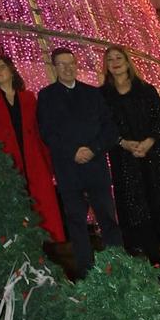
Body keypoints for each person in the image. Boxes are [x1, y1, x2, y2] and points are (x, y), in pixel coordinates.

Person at [101, 44, 160, 267]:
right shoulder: (102, 95)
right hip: (125, 160)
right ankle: (154, 265)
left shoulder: (145, 89)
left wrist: (149, 141)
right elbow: (104, 126)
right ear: (106, 65)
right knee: (137, 211)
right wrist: (124, 143)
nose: (115, 61)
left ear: (127, 61)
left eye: (118, 57)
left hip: (155, 156)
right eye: (110, 58)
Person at [36, 48, 123, 275]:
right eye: (62, 64)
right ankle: (85, 274)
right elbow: (47, 132)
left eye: (71, 63)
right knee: (76, 224)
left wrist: (93, 149)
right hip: (69, 170)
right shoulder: (46, 96)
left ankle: (119, 269)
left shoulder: (93, 94)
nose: (68, 68)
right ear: (54, 67)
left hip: (96, 168)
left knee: (108, 220)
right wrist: (72, 152)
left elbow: (110, 127)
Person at [0, 53, 64, 242]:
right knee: (16, 209)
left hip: (34, 161)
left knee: (44, 208)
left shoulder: (29, 97)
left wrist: (48, 162)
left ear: (11, 70)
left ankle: (52, 248)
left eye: (2, 67)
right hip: (7, 164)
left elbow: (39, 129)